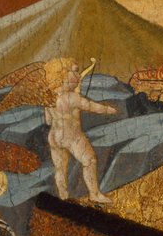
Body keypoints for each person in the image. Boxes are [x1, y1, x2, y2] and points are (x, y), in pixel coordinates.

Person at [43, 58, 118, 204]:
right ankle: (94, 194)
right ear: (64, 75)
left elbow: (48, 121)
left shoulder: (49, 98)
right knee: (89, 160)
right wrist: (109, 110)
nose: (78, 76)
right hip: (71, 136)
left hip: (54, 137)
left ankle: (63, 197)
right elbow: (91, 106)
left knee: (60, 169)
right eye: (75, 71)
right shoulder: (72, 97)